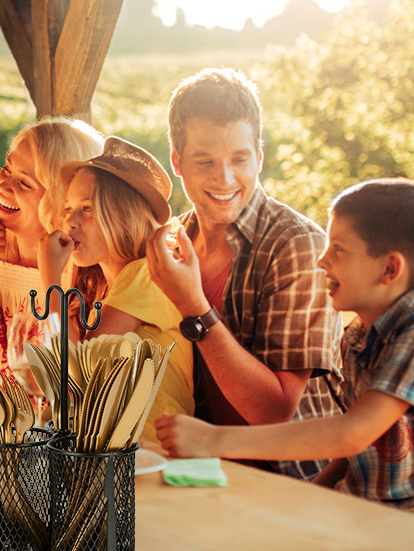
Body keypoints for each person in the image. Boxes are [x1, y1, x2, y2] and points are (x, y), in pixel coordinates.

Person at [157, 179, 414, 510]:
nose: (321, 260)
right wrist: (305, 499)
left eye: (338, 248)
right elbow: (354, 453)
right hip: (359, 511)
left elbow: (353, 433)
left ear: (389, 268)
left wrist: (212, 440)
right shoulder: (359, 336)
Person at [145, 68, 342, 481]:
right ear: (177, 162)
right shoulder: (170, 246)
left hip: (288, 483)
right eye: (205, 162)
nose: (225, 179)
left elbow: (275, 411)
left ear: (260, 157)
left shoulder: (296, 245)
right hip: (192, 473)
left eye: (239, 159)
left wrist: (193, 306)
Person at [37, 136, 193, 442]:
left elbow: (76, 378)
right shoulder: (103, 291)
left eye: (87, 209)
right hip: (106, 451)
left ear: (124, 217)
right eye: (68, 208)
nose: (70, 220)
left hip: (150, 454)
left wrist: (51, 279)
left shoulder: (147, 273)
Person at [0, 117, 104, 375]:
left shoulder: (83, 278)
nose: (2, 185)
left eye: (24, 183)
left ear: (61, 201)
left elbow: (71, 383)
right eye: (7, 169)